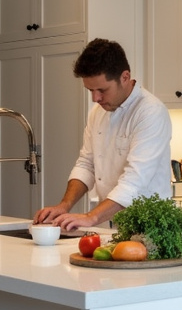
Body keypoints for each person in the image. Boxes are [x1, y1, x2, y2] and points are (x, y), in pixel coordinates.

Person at [34, 39, 172, 231]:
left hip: (152, 229)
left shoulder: (150, 111)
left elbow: (135, 180)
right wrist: (64, 205)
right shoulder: (98, 112)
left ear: (125, 77)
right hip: (115, 225)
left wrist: (91, 217)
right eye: (90, 90)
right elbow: (86, 164)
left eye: (102, 90)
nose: (95, 98)